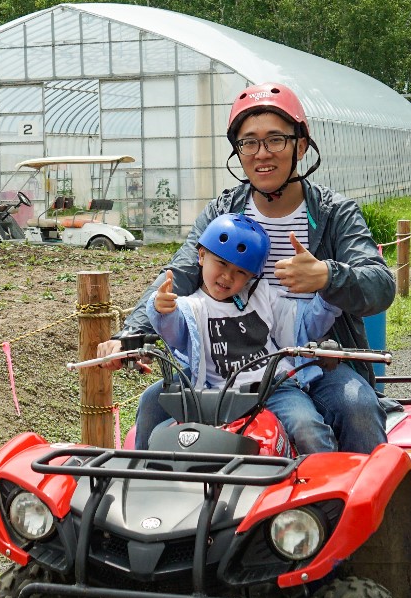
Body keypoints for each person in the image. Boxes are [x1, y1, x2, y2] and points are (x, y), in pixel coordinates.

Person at [107, 82, 394, 455]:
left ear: (300, 146)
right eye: (249, 142)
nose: (262, 154)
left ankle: (364, 509)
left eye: (275, 140)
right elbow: (177, 275)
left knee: (356, 406)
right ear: (238, 151)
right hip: (225, 361)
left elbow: (380, 284)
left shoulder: (334, 213)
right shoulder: (222, 214)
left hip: (315, 360)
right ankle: (147, 499)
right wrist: (131, 334)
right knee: (151, 404)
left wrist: (327, 275)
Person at [134, 213, 345, 454]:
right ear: (201, 255)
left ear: (252, 276)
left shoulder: (261, 294)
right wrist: (161, 308)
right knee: (164, 434)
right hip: (216, 396)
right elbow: (175, 329)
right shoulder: (191, 307)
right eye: (221, 263)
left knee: (307, 427)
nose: (227, 277)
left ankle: (324, 484)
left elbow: (301, 323)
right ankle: (141, 475)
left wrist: (328, 292)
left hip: (275, 388)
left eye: (240, 272)